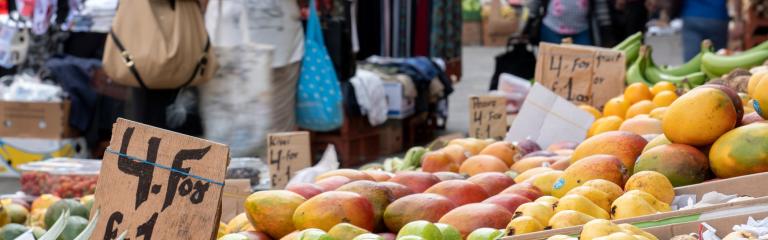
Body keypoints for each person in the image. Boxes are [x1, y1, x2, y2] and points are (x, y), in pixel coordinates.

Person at [670, 0, 742, 60]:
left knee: (691, 60)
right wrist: (738, 20)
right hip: (717, 17)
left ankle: (691, 76)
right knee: (718, 58)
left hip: (692, 16)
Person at [527, 0, 595, 45]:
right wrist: (530, 17)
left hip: (581, 29)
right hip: (552, 28)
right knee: (552, 61)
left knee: (585, 60)